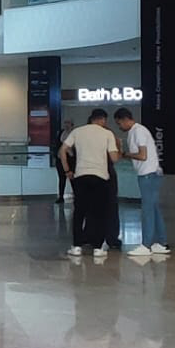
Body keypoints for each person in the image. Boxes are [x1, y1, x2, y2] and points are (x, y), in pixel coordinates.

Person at [59, 108, 119, 257]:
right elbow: (114, 158)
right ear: (102, 119)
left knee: (79, 212)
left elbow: (62, 151)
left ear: (91, 118)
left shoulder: (77, 131)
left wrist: (67, 171)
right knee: (99, 212)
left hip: (81, 176)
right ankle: (98, 248)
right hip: (101, 177)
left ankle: (76, 246)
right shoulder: (107, 134)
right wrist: (119, 149)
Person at [113, 108, 170, 255]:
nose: (119, 127)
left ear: (125, 119)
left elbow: (142, 155)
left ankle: (146, 245)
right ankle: (162, 243)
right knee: (154, 208)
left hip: (148, 174)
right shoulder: (135, 131)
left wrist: (125, 154)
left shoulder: (138, 131)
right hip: (149, 173)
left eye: (119, 123)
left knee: (147, 210)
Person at [53, 118, 73, 204]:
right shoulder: (61, 133)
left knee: (72, 178)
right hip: (60, 159)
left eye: (68, 123)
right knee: (61, 178)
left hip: (70, 159)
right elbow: (56, 144)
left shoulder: (74, 134)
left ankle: (77, 195)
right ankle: (61, 196)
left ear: (72, 124)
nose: (66, 125)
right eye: (65, 123)